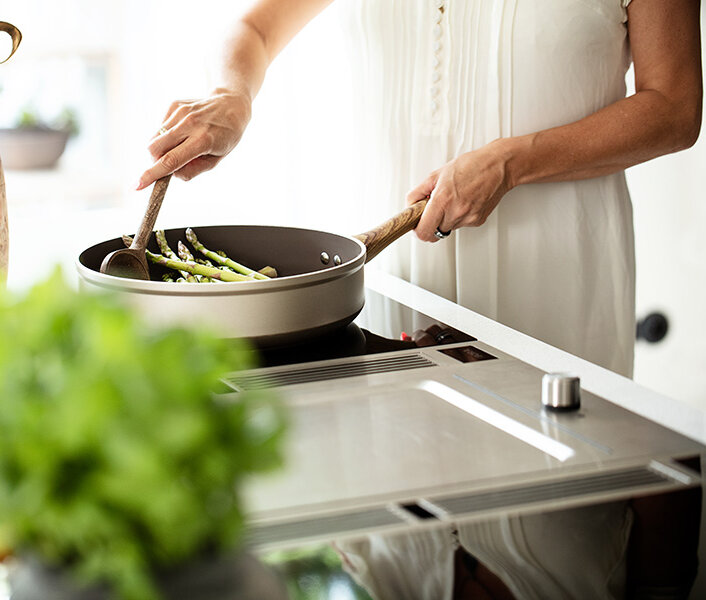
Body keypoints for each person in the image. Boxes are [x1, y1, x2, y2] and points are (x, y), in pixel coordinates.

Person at [137, 1, 702, 598]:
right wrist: (233, 94)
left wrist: (513, 161)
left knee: (557, 537)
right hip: (392, 280)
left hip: (555, 287)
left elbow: (674, 106)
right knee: (397, 539)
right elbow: (254, 25)